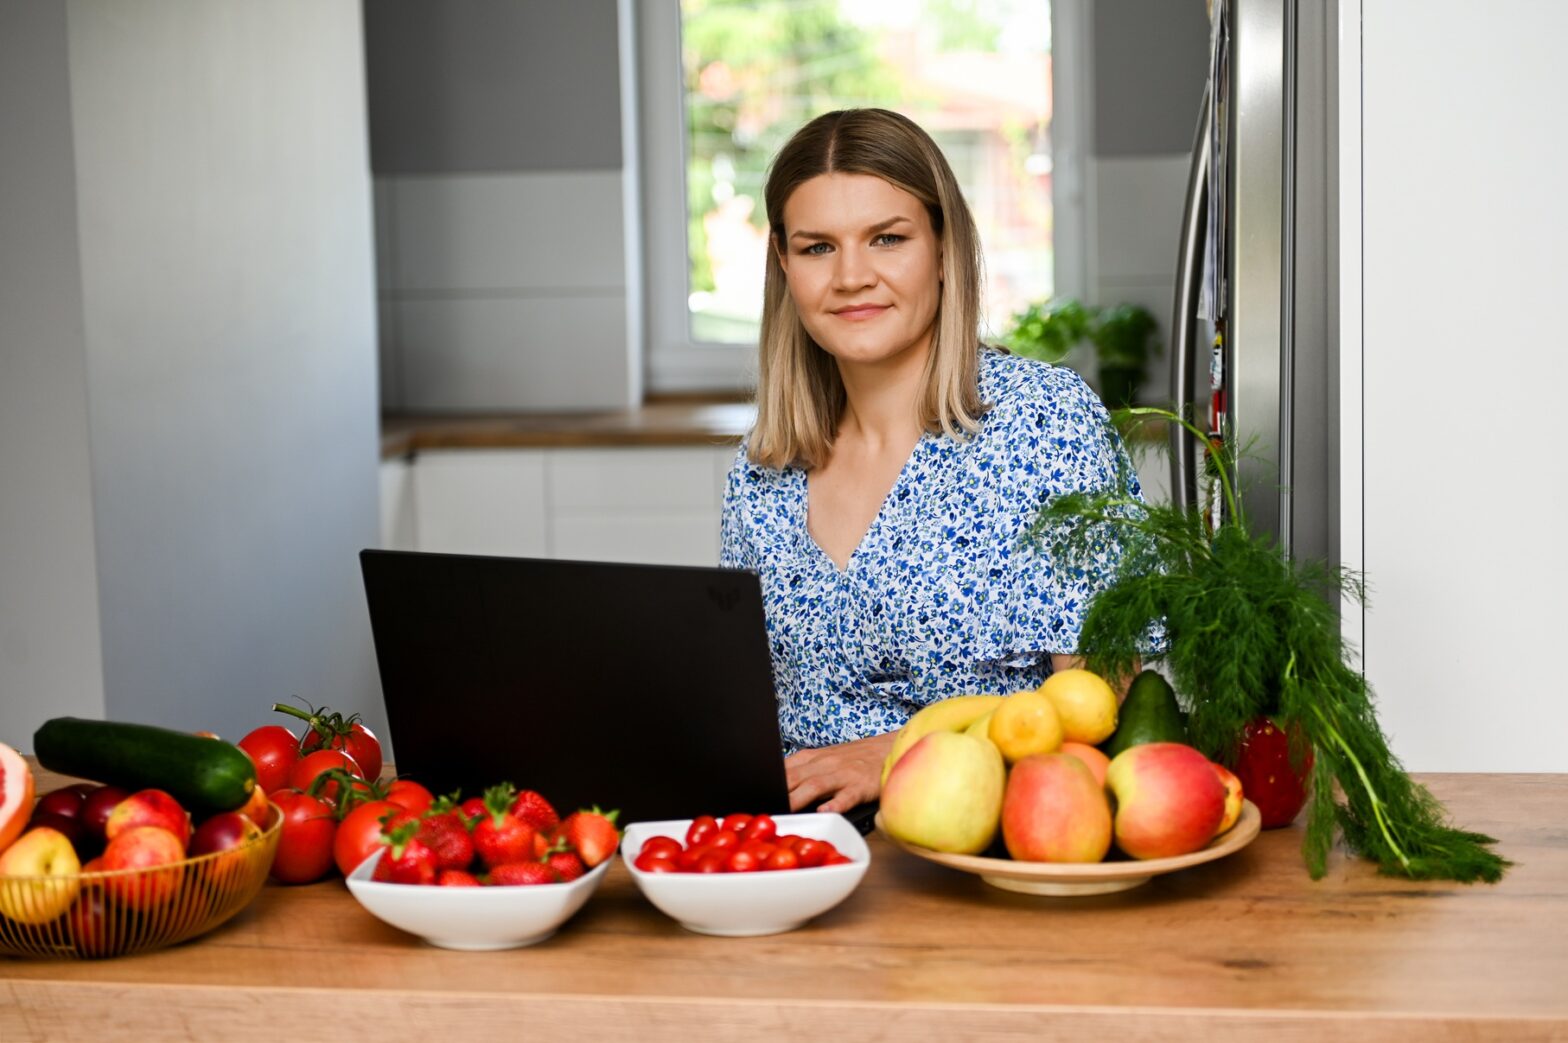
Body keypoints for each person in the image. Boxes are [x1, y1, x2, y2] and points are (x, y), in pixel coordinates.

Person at [719, 108, 1142, 815]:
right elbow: (746, 704)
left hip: (983, 849)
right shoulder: (761, 468)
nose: (852, 276)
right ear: (784, 266)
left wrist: (896, 752)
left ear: (943, 249)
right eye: (818, 247)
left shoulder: (1045, 422)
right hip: (797, 856)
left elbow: (1104, 699)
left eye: (887, 238)